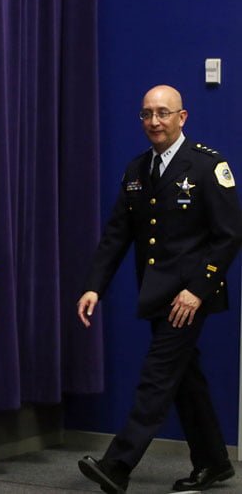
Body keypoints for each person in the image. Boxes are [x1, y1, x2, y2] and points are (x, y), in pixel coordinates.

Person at [76, 85, 242, 493]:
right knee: (186, 380)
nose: (154, 122)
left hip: (188, 298)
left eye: (163, 113)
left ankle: (117, 465)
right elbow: (117, 235)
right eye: (147, 114)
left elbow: (229, 235)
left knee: (157, 377)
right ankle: (214, 463)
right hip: (155, 294)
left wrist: (199, 290)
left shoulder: (206, 166)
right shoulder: (137, 171)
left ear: (182, 117)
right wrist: (95, 286)